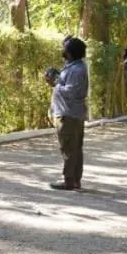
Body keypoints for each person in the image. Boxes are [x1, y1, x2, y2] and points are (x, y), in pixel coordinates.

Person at [45, 36, 89, 190]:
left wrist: (55, 84)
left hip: (68, 114)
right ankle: (75, 180)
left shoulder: (77, 70)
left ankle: (69, 181)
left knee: (69, 149)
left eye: (65, 48)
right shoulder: (72, 66)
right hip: (70, 113)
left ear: (70, 53)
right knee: (74, 148)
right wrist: (57, 80)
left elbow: (72, 91)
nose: (62, 50)